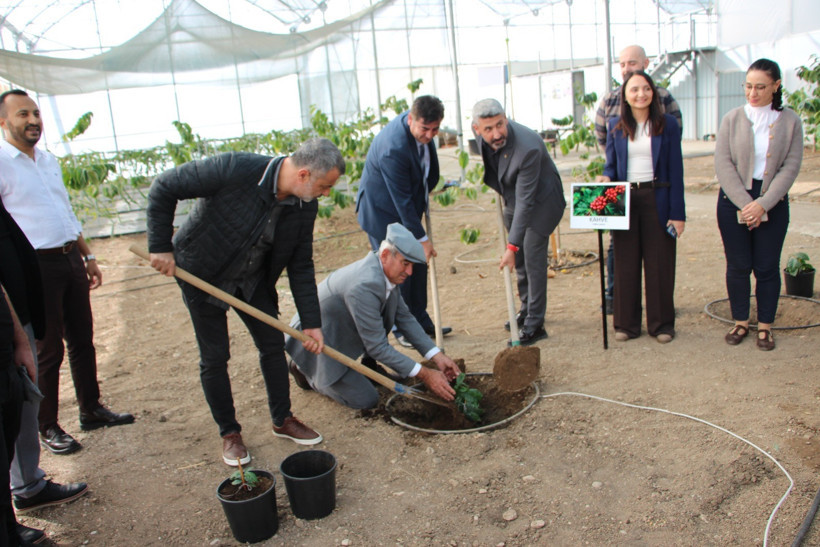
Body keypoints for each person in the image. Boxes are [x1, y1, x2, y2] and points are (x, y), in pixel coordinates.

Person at [147, 137, 344, 466]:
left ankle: (283, 419)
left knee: (271, 344)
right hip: (203, 271)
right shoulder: (235, 168)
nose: (325, 195)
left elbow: (300, 263)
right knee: (215, 356)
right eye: (324, 186)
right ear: (304, 174)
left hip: (253, 278)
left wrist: (312, 322)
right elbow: (164, 186)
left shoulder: (304, 204)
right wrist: (159, 245)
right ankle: (230, 433)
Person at [0, 90, 134, 457]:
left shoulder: (48, 161)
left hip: (68, 257)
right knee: (47, 348)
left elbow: (65, 213)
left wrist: (88, 256)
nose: (33, 121)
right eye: (22, 114)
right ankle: (48, 425)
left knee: (83, 339)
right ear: (3, 121)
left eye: (36, 113)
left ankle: (91, 409)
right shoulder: (1, 162)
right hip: (36, 266)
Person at [284, 223, 460, 409]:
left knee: (387, 312)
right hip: (319, 342)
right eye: (405, 264)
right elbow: (377, 346)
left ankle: (365, 368)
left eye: (412, 265)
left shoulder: (385, 272)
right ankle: (304, 370)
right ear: (385, 255)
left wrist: (437, 356)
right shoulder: (364, 286)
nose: (409, 272)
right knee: (366, 400)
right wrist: (425, 374)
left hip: (345, 331)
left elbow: (405, 318)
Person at [1, 196, 88, 543]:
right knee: (47, 361)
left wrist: (20, 333)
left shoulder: (47, 162)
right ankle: (47, 432)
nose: (35, 134)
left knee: (18, 403)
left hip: (18, 312)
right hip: (37, 279)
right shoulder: (5, 163)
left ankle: (28, 486)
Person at [714, 58, 803, 351]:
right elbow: (723, 163)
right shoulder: (731, 119)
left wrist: (763, 204)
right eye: (748, 86)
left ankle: (765, 326)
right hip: (733, 200)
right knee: (738, 265)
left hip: (772, 200)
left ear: (776, 86)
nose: (753, 92)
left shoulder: (790, 121)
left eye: (760, 87)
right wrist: (745, 204)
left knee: (766, 267)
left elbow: (790, 166)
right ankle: (741, 321)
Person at [596, 71, 685, 343]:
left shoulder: (667, 124)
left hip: (657, 197)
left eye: (646, 89)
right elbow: (611, 164)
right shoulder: (615, 125)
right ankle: (626, 325)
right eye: (634, 89)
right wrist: (606, 177)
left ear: (653, 93)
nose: (641, 94)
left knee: (660, 263)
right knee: (625, 263)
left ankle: (662, 325)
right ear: (625, 95)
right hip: (625, 199)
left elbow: (676, 170)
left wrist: (678, 215)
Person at [356, 95, 451, 346]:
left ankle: (419, 318)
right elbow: (401, 200)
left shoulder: (423, 132)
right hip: (381, 212)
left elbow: (428, 172)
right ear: (410, 119)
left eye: (435, 129)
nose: (430, 135)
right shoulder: (393, 147)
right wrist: (422, 238)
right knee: (395, 271)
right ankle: (400, 328)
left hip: (405, 207)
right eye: (425, 129)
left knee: (417, 265)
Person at [471, 98, 566, 345]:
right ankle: (526, 308)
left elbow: (527, 202)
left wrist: (511, 247)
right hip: (515, 198)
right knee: (521, 262)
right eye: (488, 129)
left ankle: (535, 325)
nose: (496, 133)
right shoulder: (484, 138)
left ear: (506, 118)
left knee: (533, 259)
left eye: (500, 125)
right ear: (477, 129)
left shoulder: (528, 147)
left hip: (543, 202)